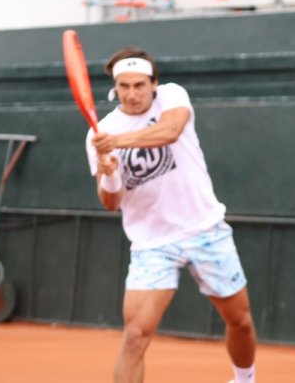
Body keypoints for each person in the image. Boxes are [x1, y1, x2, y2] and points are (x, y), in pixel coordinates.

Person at [88, 47, 256, 383]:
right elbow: (110, 202)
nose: (132, 93)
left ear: (154, 84)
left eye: (139, 85)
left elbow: (170, 131)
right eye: (124, 86)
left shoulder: (171, 97)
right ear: (115, 88)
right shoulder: (100, 133)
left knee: (239, 321)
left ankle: (244, 379)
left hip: (205, 229)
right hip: (153, 245)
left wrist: (116, 143)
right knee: (135, 335)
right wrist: (108, 171)